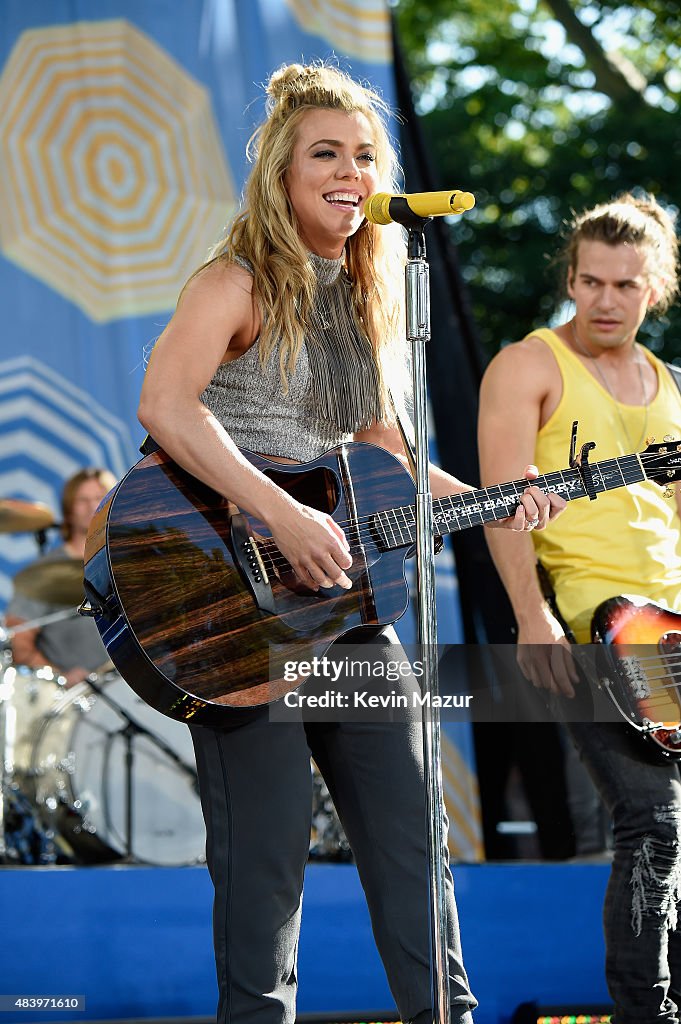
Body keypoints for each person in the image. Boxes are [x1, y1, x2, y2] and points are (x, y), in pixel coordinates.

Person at [138, 61, 562, 1024]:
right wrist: (278, 510)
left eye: (365, 155)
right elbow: (164, 403)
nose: (349, 171)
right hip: (233, 606)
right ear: (281, 175)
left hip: (345, 608)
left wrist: (494, 500)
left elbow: (385, 455)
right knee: (266, 868)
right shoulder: (232, 279)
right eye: (324, 152)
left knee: (415, 843)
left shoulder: (371, 301)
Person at [478, 192, 681, 1021]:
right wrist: (531, 618)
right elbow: (498, 501)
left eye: (623, 286)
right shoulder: (526, 364)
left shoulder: (670, 384)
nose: (604, 300)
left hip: (671, 627)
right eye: (589, 282)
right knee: (651, 821)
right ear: (569, 278)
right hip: (600, 619)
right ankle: (646, 1010)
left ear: (653, 290)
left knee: (664, 832)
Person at [6, 467, 116, 687]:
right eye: (82, 500)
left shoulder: (125, 562)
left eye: (99, 498)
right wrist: (60, 678)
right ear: (68, 510)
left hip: (130, 689)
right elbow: (19, 645)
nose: (92, 507)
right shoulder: (45, 573)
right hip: (75, 698)